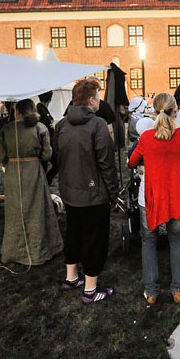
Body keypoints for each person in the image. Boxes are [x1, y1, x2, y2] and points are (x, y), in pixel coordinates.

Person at [55, 78, 119, 304]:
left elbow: (58, 158)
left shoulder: (61, 125)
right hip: (93, 195)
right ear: (91, 100)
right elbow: (106, 163)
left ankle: (71, 277)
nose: (100, 100)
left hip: (71, 192)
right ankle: (90, 289)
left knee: (73, 233)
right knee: (94, 239)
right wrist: (113, 192)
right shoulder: (98, 125)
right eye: (98, 96)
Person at [128, 92, 180, 304]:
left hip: (152, 197)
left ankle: (151, 291)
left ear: (154, 112)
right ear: (176, 110)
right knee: (177, 240)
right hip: (176, 196)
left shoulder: (147, 137)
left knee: (149, 240)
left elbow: (131, 162)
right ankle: (177, 289)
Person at [0, 98, 63, 266]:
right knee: (36, 210)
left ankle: (15, 250)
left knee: (15, 211)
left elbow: (2, 156)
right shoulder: (40, 128)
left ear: (17, 112)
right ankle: (38, 250)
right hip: (33, 170)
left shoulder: (6, 129)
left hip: (13, 173)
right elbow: (47, 155)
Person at [36, 91, 59, 184]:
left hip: (49, 141)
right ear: (50, 98)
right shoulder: (40, 109)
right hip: (45, 142)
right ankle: (45, 182)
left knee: (55, 164)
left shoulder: (43, 109)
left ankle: (45, 182)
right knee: (48, 164)